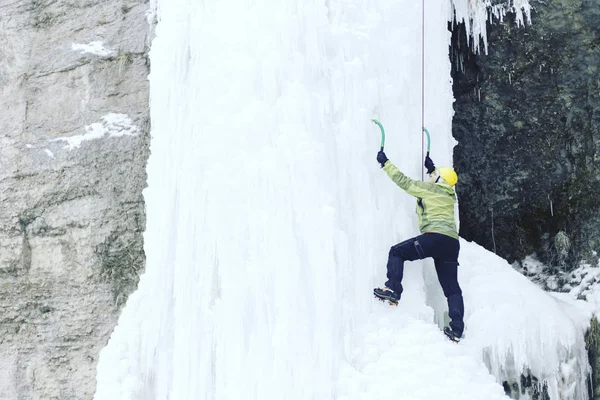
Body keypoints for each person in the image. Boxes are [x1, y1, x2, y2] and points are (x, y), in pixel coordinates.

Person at [373, 149, 464, 342]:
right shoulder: (449, 196)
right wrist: (432, 169)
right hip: (451, 243)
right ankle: (456, 329)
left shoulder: (431, 189)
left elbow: (405, 182)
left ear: (439, 180)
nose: (432, 178)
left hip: (435, 237)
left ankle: (393, 289)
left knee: (397, 252)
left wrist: (385, 163)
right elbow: (441, 180)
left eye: (434, 176)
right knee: (452, 288)